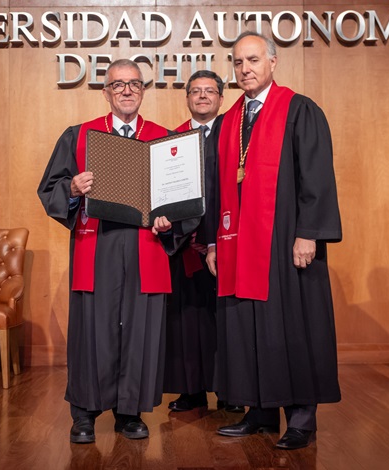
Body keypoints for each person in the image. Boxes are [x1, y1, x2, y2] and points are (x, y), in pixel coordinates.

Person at [203, 32, 342, 450]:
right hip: (238, 244)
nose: (245, 69)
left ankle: (300, 418)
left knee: (294, 325)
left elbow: (316, 177)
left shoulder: (300, 110)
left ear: (272, 63)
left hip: (286, 243)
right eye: (238, 62)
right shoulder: (228, 121)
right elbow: (214, 187)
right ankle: (258, 412)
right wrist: (212, 242)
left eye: (253, 60)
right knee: (246, 325)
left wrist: (309, 234)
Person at [38, 59, 186, 444]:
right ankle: (84, 414)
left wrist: (169, 218)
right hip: (97, 242)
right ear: (105, 92)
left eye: (134, 84)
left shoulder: (163, 138)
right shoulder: (80, 135)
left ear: (143, 91)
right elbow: (49, 189)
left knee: (139, 329)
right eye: (118, 85)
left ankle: (129, 412)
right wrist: (72, 188)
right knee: (93, 328)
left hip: (144, 245)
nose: (126, 91)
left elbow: (181, 197)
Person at [164, 71, 243, 414]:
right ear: (187, 98)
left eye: (210, 91)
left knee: (226, 320)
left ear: (221, 98)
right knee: (187, 320)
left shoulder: (235, 137)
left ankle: (230, 392)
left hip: (226, 241)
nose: (202, 97)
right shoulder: (172, 140)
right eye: (195, 91)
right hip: (183, 245)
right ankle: (191, 389)